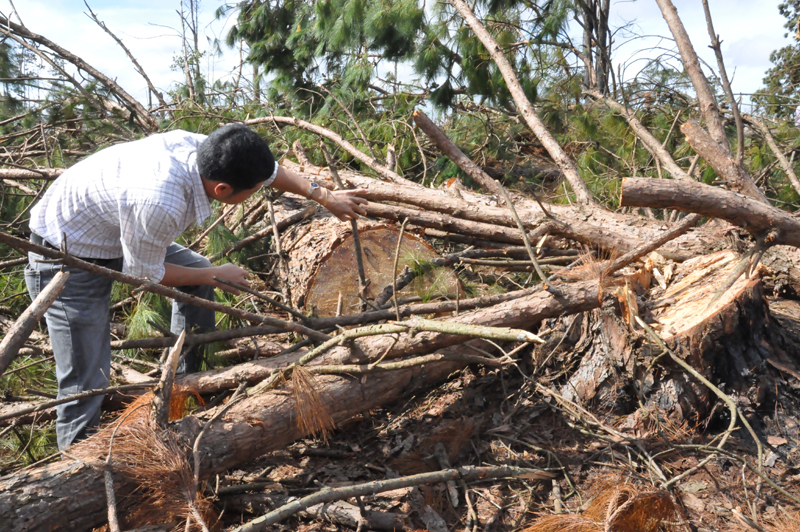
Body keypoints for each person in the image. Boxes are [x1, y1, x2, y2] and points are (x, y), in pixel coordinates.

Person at [25, 123, 367, 450]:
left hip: (112, 233)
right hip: (64, 257)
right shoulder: (161, 201)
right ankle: (77, 471)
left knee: (199, 269)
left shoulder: (208, 150)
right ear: (222, 190)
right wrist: (212, 276)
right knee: (86, 378)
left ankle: (188, 390)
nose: (257, 192)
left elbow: (269, 171)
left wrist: (323, 195)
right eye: (252, 192)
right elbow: (144, 275)